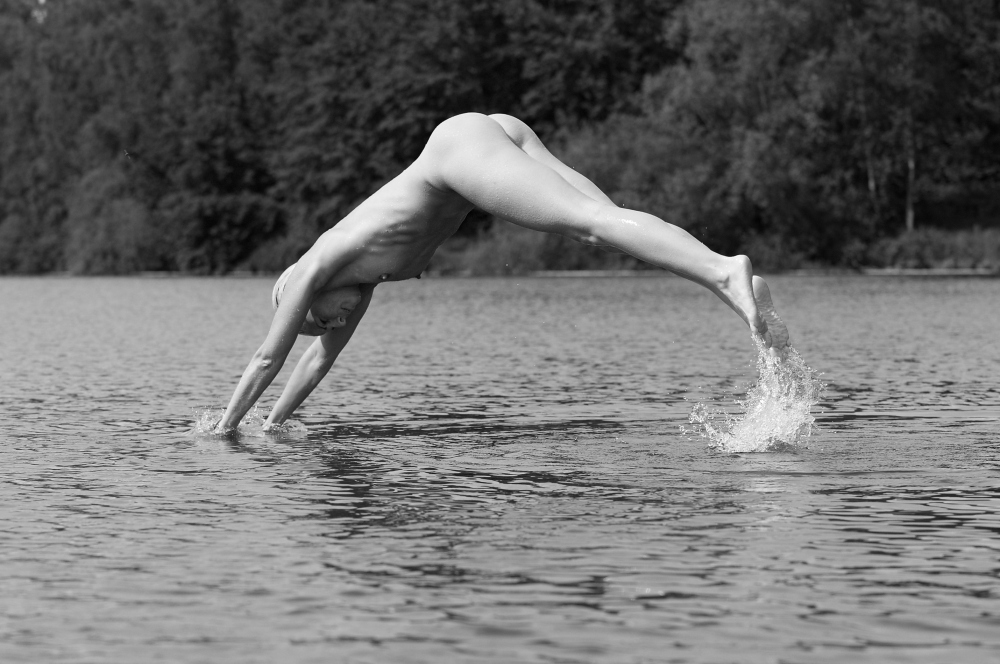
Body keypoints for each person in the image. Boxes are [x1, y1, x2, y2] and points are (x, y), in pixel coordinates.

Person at [214, 113, 789, 435]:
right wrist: (273, 425)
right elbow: (316, 362)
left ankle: (724, 271)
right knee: (606, 221)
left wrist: (225, 428)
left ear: (305, 294)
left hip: (458, 152)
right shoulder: (360, 287)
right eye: (328, 324)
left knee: (590, 224)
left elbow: (269, 357)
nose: (334, 323)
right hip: (487, 135)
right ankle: (734, 287)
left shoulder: (319, 262)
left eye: (320, 319)